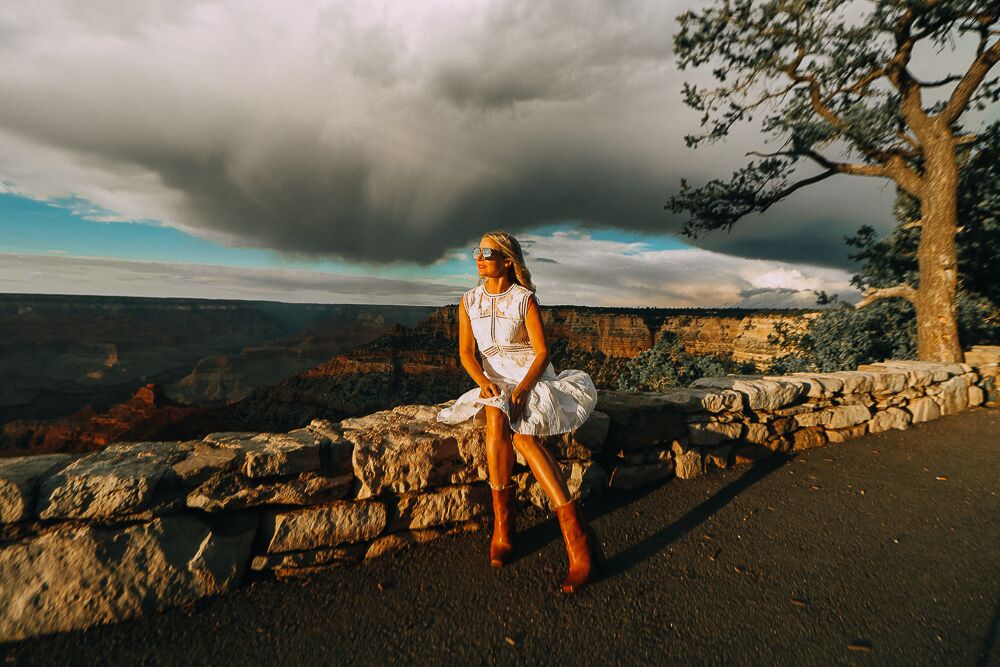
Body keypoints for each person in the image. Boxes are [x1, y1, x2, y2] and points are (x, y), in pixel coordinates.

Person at [436, 230, 602, 593]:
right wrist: (482, 382)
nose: (478, 257)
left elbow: (542, 353)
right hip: (494, 380)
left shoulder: (524, 300)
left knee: (524, 437)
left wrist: (525, 388)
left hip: (530, 375)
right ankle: (503, 525)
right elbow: (466, 353)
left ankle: (577, 535)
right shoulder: (468, 301)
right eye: (476, 251)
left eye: (487, 252)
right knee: (495, 417)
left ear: (507, 261)